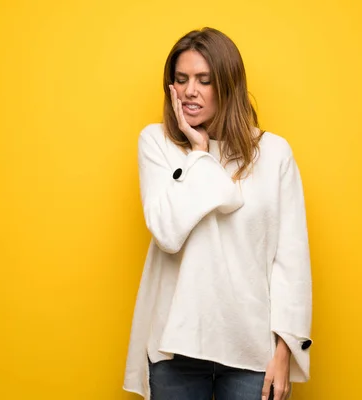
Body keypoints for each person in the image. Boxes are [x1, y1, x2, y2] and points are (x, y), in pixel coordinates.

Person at [123, 27, 313, 400]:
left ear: (228, 85)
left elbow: (290, 262)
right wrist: (199, 151)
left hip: (250, 349)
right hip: (175, 347)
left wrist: (283, 351)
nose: (190, 91)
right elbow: (166, 231)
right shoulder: (157, 143)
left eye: (204, 80)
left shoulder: (273, 153)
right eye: (181, 80)